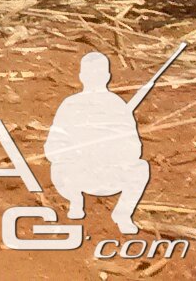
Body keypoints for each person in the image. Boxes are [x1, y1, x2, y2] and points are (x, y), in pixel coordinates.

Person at [44, 50, 151, 233]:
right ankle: (76, 201)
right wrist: (78, 153)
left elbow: (134, 150)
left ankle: (122, 214)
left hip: (108, 175)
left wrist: (108, 152)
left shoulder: (116, 106)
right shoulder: (72, 105)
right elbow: (53, 147)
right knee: (59, 166)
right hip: (78, 174)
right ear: (107, 76)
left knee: (140, 167)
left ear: (82, 76)